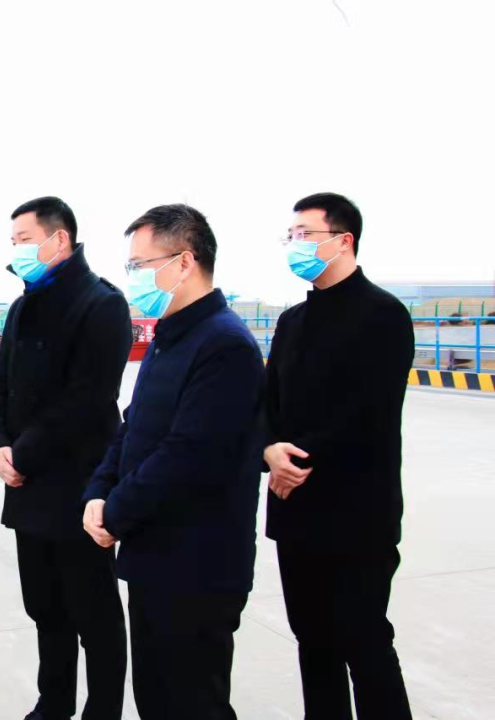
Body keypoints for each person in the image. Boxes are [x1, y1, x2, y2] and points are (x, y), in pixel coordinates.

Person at [82, 204, 265, 720]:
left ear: (184, 261)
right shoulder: (170, 337)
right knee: (157, 699)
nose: (133, 278)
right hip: (154, 560)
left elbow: (189, 456)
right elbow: (133, 426)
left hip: (198, 568)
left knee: (193, 703)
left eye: (140, 265)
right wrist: (98, 492)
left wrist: (115, 512)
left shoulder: (225, 345)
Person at [264, 193, 414, 719]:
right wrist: (269, 450)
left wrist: (293, 465)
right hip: (296, 512)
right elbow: (268, 405)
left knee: (365, 642)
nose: (295, 244)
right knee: (313, 643)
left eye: (305, 234)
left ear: (343, 240)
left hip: (358, 515)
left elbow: (369, 414)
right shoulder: (292, 323)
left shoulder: (384, 316)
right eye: (291, 235)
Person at [0, 196, 131, 720]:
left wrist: (21, 453)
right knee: (45, 607)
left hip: (77, 488)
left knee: (94, 615)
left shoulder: (101, 304)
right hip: (25, 486)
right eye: (14, 242)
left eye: (24, 239)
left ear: (59, 239)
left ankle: (102, 711)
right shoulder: (23, 306)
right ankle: (54, 702)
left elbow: (86, 400)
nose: (17, 250)